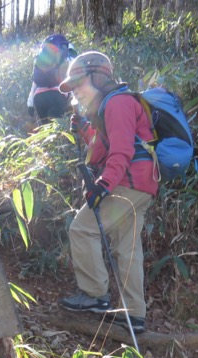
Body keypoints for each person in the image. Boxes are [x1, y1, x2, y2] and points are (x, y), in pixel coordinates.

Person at [57, 51, 158, 334]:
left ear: (98, 78)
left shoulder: (118, 103)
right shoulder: (109, 107)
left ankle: (95, 295)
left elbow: (122, 151)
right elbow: (101, 148)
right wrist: (85, 131)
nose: (75, 91)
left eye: (79, 83)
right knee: (127, 248)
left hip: (129, 182)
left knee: (82, 229)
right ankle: (134, 314)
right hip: (141, 184)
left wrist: (103, 185)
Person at [26, 35, 76, 122]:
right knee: (56, 129)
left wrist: (30, 105)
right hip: (57, 96)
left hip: (39, 98)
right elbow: (72, 80)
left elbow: (34, 84)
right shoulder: (68, 58)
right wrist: (74, 102)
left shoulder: (42, 59)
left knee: (45, 129)